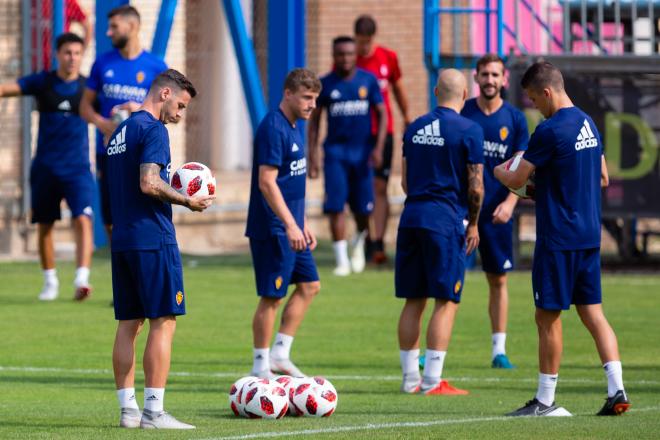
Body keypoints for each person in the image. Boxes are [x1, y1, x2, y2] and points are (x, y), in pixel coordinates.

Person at [494, 61, 629, 417]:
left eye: (534, 98)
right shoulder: (588, 122)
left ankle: (545, 401)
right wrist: (551, 186)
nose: (534, 105)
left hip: (558, 237)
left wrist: (498, 171)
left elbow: (517, 177)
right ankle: (617, 390)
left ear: (547, 91)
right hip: (588, 236)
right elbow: (601, 177)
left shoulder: (549, 131)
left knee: (547, 317)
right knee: (593, 314)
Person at [107, 69, 212, 429]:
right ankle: (153, 412)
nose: (181, 114)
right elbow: (150, 182)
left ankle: (128, 411)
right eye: (181, 105)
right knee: (164, 321)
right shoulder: (154, 130)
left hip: (121, 238)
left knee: (128, 324)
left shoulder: (120, 131)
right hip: (152, 238)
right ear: (164, 93)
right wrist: (187, 200)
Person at [396, 69, 484, 395]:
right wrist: (473, 223)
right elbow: (476, 188)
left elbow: (404, 182)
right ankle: (432, 381)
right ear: (465, 95)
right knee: (446, 300)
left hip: (411, 217)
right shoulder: (469, 130)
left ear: (435, 91)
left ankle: (409, 380)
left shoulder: (414, 127)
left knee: (413, 299)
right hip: (444, 220)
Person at [0, 32, 93, 301]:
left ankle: (81, 279)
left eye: (77, 53)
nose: (72, 58)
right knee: (44, 225)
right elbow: (7, 88)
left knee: (83, 219)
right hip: (45, 167)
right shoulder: (43, 82)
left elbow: (107, 110)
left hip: (77, 168)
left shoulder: (88, 88)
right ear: (57, 54)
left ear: (81, 55)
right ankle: (50, 281)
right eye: (67, 53)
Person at [245, 68, 322, 378]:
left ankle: (280, 354)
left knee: (310, 285)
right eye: (306, 97)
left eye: (315, 98)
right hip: (273, 228)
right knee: (272, 296)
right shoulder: (273, 128)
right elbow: (267, 182)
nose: (312, 104)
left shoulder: (293, 127)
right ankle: (260, 367)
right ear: (288, 94)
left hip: (291, 226)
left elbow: (291, 183)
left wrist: (301, 223)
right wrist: (290, 225)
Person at [461, 54, 529, 369]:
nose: (489, 80)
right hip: (463, 213)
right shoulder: (464, 113)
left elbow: (524, 168)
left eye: (495, 75)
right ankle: (432, 351)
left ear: (504, 79)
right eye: (484, 74)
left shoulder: (515, 120)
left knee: (498, 280)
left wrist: (510, 203)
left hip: (497, 214)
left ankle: (498, 351)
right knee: (447, 278)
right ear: (475, 77)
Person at [80, 5, 168, 240]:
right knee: (110, 219)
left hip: (142, 153)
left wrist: (137, 110)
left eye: (114, 27)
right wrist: (102, 123)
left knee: (144, 212)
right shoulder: (102, 64)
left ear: (132, 26)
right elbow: (84, 106)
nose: (109, 33)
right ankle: (121, 261)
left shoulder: (156, 67)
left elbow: (169, 112)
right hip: (109, 151)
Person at [308, 36, 387, 276]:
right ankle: (341, 260)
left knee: (363, 209)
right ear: (334, 56)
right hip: (335, 154)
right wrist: (312, 154)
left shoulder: (368, 81)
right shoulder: (325, 84)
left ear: (355, 56)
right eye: (340, 54)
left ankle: (359, 242)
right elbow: (315, 120)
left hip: (362, 154)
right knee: (335, 206)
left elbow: (382, 114)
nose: (345, 58)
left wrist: (378, 148)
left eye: (349, 54)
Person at [354, 15, 411, 265]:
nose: (364, 47)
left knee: (379, 186)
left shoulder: (387, 57)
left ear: (373, 39)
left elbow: (398, 88)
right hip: (356, 134)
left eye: (367, 42)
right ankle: (363, 236)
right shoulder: (349, 61)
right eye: (360, 41)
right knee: (358, 188)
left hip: (383, 134)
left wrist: (406, 115)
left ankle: (378, 243)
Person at [31, 0, 92, 71]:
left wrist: (81, 50)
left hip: (58, 63)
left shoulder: (67, 2)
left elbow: (87, 27)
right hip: (33, 61)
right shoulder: (32, 3)